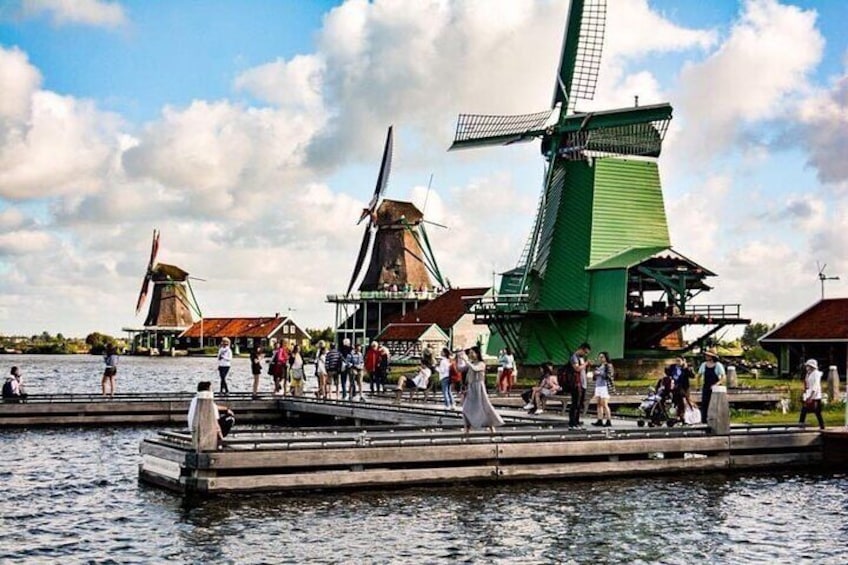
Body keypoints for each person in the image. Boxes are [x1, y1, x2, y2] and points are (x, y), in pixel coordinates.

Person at [462, 346, 504, 432]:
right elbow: (462, 370)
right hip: (471, 388)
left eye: (472, 352)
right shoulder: (471, 363)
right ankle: (467, 429)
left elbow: (475, 369)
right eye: (469, 353)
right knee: (466, 408)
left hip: (479, 388)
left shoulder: (481, 364)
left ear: (477, 354)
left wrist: (466, 361)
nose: (470, 354)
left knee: (484, 407)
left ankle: (492, 427)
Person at [697, 348, 725, 423]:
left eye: (708, 355)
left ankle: (715, 420)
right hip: (706, 386)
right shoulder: (703, 365)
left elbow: (723, 377)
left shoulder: (718, 365)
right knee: (705, 404)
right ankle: (704, 421)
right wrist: (698, 385)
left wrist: (716, 384)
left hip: (715, 388)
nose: (706, 356)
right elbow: (698, 376)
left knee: (715, 404)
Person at [568, 342, 591, 428]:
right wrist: (585, 364)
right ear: (581, 349)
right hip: (576, 383)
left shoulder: (582, 358)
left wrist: (587, 366)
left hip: (583, 383)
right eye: (585, 352)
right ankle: (572, 423)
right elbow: (577, 368)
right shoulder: (574, 357)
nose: (585, 354)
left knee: (579, 404)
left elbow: (583, 370)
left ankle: (576, 422)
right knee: (575, 404)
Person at [800, 359, 825, 429]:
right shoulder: (808, 373)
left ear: (811, 366)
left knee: (817, 412)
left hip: (815, 396)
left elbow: (815, 385)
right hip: (808, 394)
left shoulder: (816, 374)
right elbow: (807, 384)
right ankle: (800, 425)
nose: (806, 367)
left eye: (808, 366)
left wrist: (811, 396)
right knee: (804, 410)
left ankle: (822, 426)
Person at [590, 352, 614, 427]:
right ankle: (599, 419)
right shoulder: (599, 366)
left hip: (605, 386)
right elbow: (595, 377)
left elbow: (609, 375)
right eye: (600, 357)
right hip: (598, 386)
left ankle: (608, 420)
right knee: (599, 404)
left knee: (604, 403)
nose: (601, 359)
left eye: (602, 357)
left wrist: (600, 373)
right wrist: (595, 374)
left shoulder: (609, 366)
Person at [669, 357, 694, 421]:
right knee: (677, 402)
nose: (677, 362)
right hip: (675, 387)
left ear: (683, 361)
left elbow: (692, 376)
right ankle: (678, 415)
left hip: (684, 387)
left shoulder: (686, 368)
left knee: (684, 401)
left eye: (679, 361)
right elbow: (668, 373)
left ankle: (685, 416)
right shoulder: (672, 367)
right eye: (676, 361)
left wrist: (686, 368)